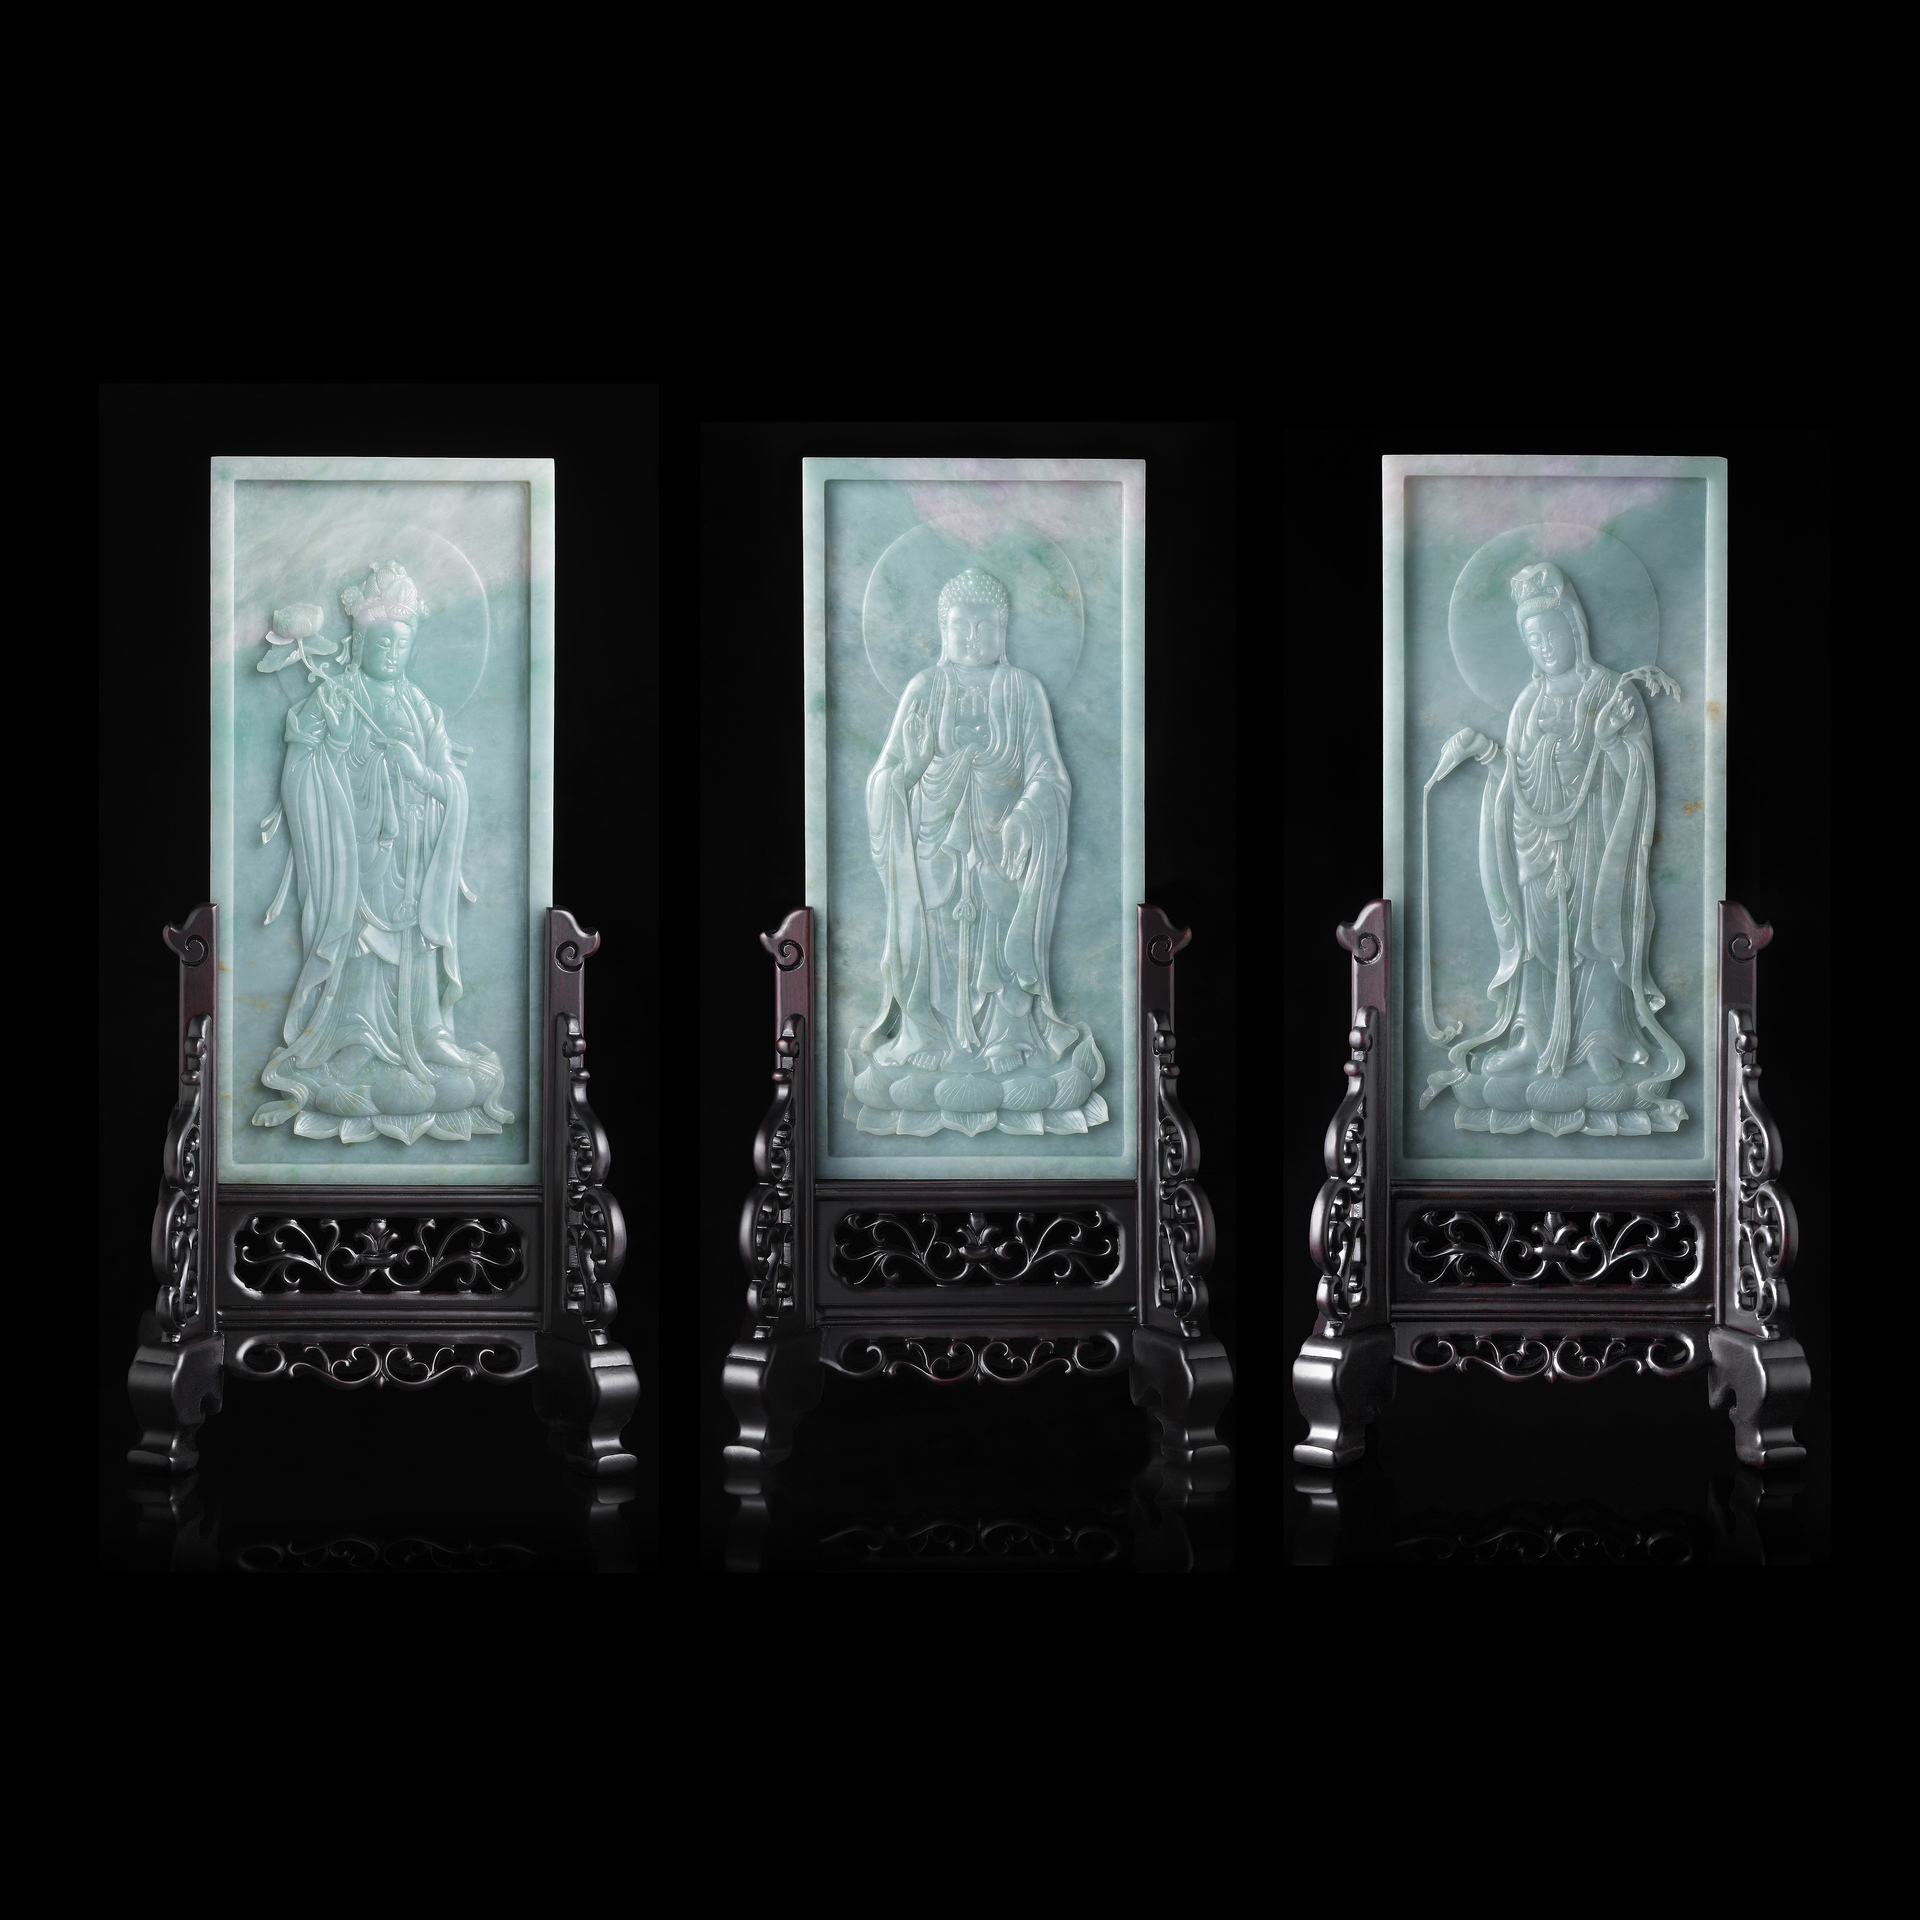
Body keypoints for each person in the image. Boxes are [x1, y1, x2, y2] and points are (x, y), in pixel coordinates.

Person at [1420, 560, 1685, 1137]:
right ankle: (1534, 1037)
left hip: (1596, 839)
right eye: (1531, 639)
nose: (1542, 647)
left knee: (1596, 935)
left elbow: (1638, 774)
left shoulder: (1611, 690)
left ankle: (1601, 1041)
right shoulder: (1528, 701)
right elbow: (1515, 777)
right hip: (1536, 842)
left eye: (1550, 633)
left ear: (1574, 628)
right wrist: (1485, 754)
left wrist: (1610, 741)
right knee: (1538, 943)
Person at [254, 560, 511, 1145]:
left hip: (412, 858)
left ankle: (425, 1032)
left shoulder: (422, 708)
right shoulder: (335, 696)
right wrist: (340, 744)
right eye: (380, 643)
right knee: (360, 947)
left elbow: (451, 784)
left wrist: (417, 771)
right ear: (359, 643)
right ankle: (353, 1039)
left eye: (400, 643)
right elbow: (302, 767)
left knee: (413, 947)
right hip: (357, 854)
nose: (391, 654)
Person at [851, 567, 1106, 1137]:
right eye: (960, 625)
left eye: (985, 626)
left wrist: (1024, 815)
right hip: (934, 847)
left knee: (1001, 933)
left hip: (1002, 848)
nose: (972, 637)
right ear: (942, 628)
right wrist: (914, 770)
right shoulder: (925, 687)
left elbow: (1049, 774)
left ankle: (1009, 1034)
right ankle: (926, 1033)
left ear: (1003, 629)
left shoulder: (1022, 689)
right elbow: (885, 777)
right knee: (934, 939)